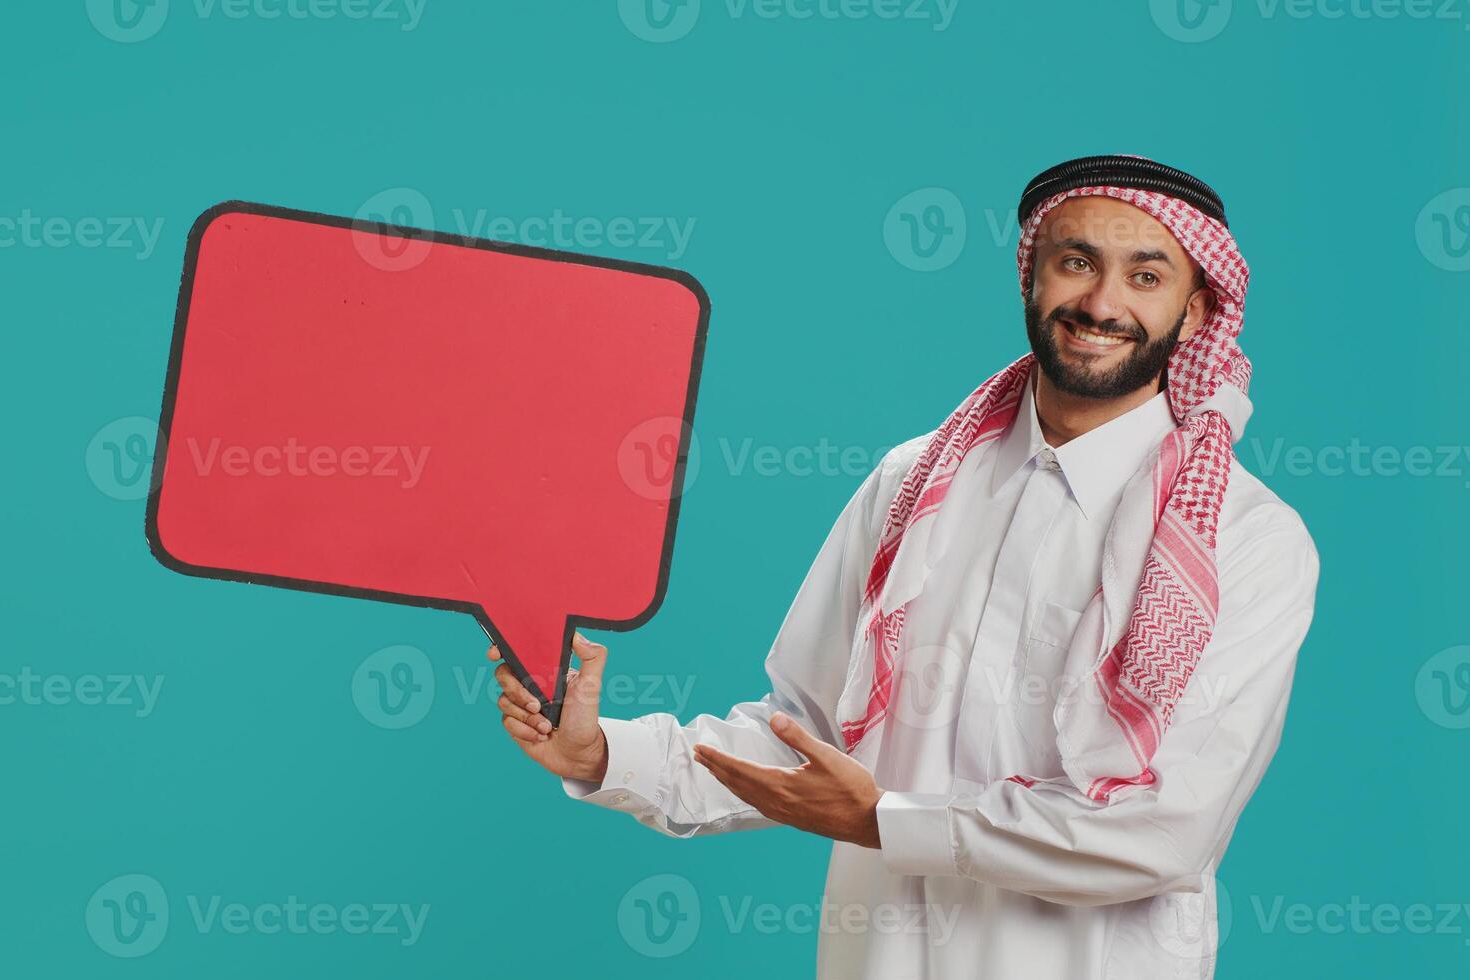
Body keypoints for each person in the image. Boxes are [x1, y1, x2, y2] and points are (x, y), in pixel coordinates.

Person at [486, 154, 1320, 979]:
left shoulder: (1242, 540)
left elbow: (1165, 833)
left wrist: (887, 821)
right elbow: (806, 739)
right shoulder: (911, 483)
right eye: (1076, 263)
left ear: (1195, 308)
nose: (1102, 304)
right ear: (1030, 276)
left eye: (1145, 276)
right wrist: (601, 755)